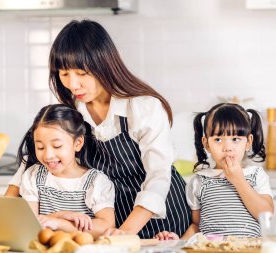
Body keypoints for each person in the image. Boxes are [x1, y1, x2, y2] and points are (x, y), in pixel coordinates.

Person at [46, 19, 191, 239]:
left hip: (161, 217)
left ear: (104, 64)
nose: (73, 85)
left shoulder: (143, 107)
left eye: (82, 74)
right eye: (64, 74)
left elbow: (159, 176)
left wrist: (125, 232)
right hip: (112, 218)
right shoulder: (73, 111)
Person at [156, 103, 274, 240]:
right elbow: (196, 225)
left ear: (248, 142)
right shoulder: (199, 180)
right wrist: (178, 243)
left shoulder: (256, 174)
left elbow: (267, 214)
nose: (227, 147)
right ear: (206, 144)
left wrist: (239, 181)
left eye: (235, 139)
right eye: (218, 139)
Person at [8, 104, 115, 238]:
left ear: (78, 143)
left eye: (57, 146)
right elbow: (30, 223)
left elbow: (107, 226)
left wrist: (60, 223)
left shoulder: (95, 182)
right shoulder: (34, 175)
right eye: (40, 147)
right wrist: (58, 216)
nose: (48, 155)